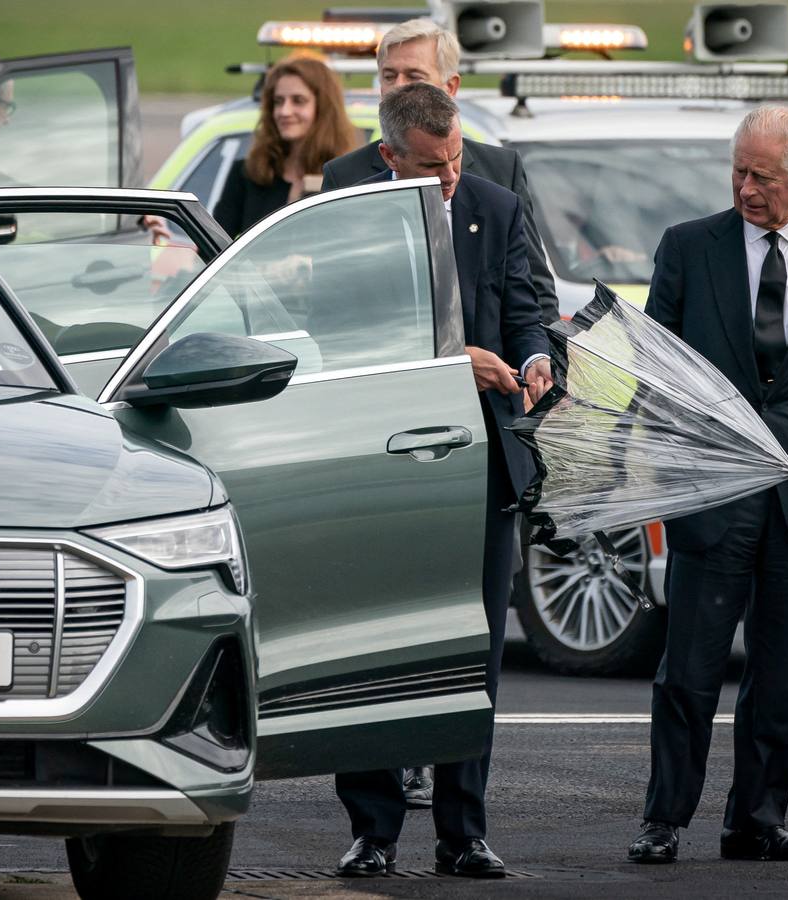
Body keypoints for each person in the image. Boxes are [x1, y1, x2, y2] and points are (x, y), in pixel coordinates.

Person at [627, 106, 788, 865]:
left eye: (762, 177)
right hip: (713, 497)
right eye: (738, 170)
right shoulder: (687, 248)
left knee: (776, 677)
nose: (745, 187)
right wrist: (662, 462)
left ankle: (757, 821)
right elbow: (654, 371)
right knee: (690, 673)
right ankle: (663, 819)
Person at [333, 82, 551, 881]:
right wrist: (454, 362)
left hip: (480, 460)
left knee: (477, 652)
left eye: (457, 157)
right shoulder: (350, 207)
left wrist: (534, 359)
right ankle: (373, 828)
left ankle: (464, 831)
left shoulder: (493, 205)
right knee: (370, 648)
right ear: (390, 156)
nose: (452, 175)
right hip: (379, 465)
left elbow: (526, 307)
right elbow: (343, 334)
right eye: (433, 165)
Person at [321, 18, 558, 327]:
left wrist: (545, 363)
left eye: (414, 77)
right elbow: (332, 302)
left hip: (497, 369)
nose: (398, 87)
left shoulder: (500, 171)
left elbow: (535, 288)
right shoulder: (346, 178)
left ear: (451, 87)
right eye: (389, 76)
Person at [213, 55, 357, 236]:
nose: (284, 111)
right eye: (278, 101)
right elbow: (213, 249)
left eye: (298, 101)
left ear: (324, 108)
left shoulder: (348, 180)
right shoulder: (248, 174)